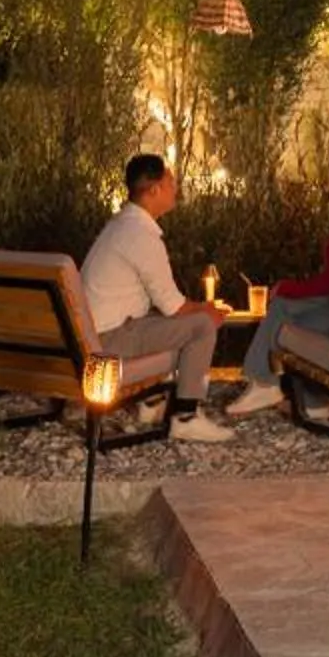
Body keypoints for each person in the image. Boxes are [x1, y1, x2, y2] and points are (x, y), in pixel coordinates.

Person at [226, 142, 329, 419]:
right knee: (285, 314)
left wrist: (285, 287)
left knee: (280, 308)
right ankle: (316, 401)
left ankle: (263, 382)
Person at [79, 153, 234, 444]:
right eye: (171, 181)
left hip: (98, 333)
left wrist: (200, 308)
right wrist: (209, 310)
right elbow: (174, 306)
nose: (176, 187)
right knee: (201, 327)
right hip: (109, 342)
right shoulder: (140, 235)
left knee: (174, 322)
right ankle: (185, 417)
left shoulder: (120, 225)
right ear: (154, 189)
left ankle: (151, 405)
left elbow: (166, 307)